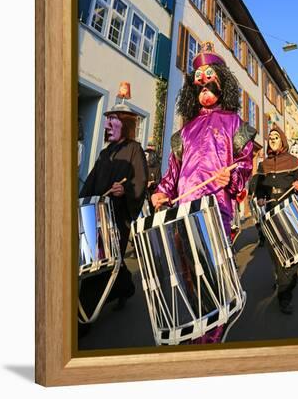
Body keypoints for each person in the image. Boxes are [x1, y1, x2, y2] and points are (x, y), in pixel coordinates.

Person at [152, 41, 256, 343]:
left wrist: (232, 174)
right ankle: (196, 328)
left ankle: (212, 337)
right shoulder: (182, 132)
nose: (204, 90)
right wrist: (161, 192)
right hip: (182, 211)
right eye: (199, 85)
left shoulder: (234, 122)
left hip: (214, 210)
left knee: (212, 271)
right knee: (187, 274)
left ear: (221, 85)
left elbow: (245, 164)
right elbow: (172, 174)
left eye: (210, 83)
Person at [79, 103, 148, 325]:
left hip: (118, 216)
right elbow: (90, 182)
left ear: (124, 125)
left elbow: (140, 181)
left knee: (101, 264)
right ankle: (125, 287)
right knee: (109, 260)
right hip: (97, 215)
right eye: (107, 122)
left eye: (112, 122)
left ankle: (84, 314)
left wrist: (125, 189)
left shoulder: (135, 149)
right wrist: (80, 202)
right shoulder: (105, 153)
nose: (107, 125)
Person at [253, 124, 298, 315]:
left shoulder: (292, 161)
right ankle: (283, 277)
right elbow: (259, 186)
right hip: (270, 212)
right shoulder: (263, 165)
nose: (272, 138)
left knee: (289, 252)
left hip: (289, 210)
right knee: (275, 252)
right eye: (270, 137)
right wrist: (259, 196)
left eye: (276, 136)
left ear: (282, 140)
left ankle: (284, 296)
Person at [144, 139, 162, 216]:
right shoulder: (141, 166)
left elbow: (159, 181)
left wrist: (151, 183)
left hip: (151, 197)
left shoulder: (156, 167)